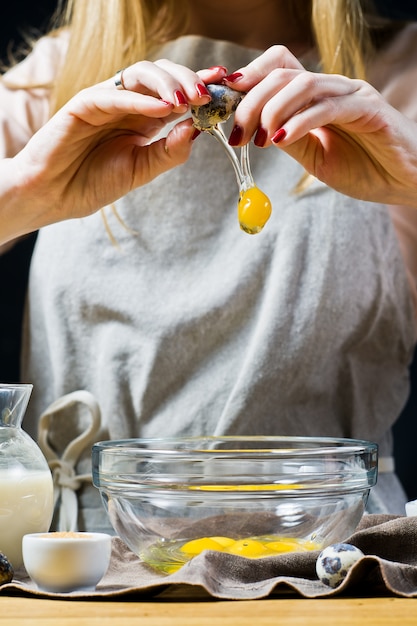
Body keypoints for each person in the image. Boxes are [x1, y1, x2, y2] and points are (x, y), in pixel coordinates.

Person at [1, 0, 417, 531]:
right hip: (92, 568)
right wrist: (27, 190)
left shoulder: (399, 74)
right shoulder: (58, 75)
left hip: (327, 554)